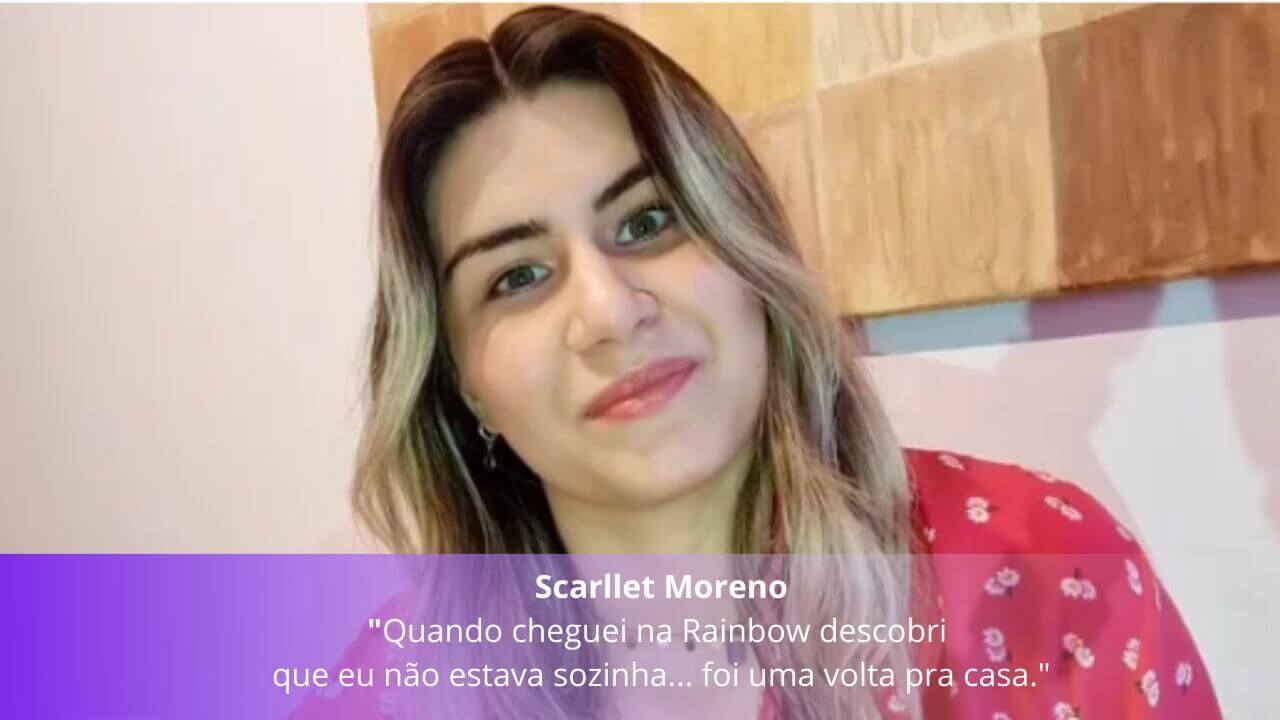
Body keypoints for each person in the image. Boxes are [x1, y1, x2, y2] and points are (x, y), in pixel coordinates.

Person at [293, 6, 1221, 718]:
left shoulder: (1045, 575)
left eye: (648, 221)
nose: (609, 312)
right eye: (518, 277)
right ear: (462, 384)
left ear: (748, 250)